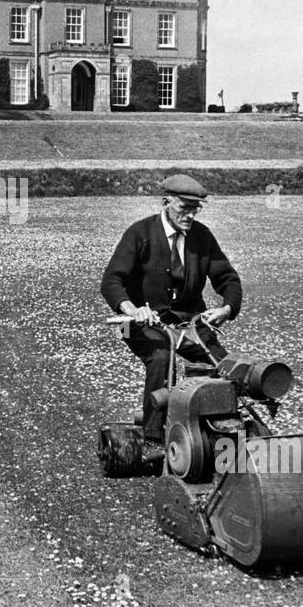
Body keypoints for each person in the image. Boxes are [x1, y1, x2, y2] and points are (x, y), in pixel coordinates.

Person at [100, 174, 243, 432]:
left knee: (220, 364)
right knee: (161, 358)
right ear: (165, 202)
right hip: (133, 322)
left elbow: (228, 278)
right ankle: (153, 437)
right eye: (184, 208)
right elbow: (111, 281)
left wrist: (226, 308)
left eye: (195, 210)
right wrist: (132, 309)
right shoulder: (139, 234)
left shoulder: (202, 237)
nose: (190, 216)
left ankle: (218, 426)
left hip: (189, 321)